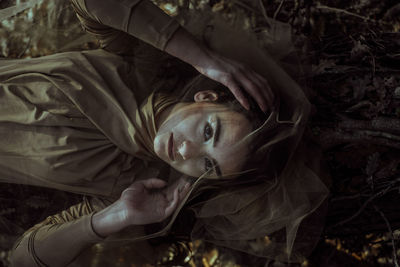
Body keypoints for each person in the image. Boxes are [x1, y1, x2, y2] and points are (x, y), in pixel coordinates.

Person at [2, 0, 329, 266]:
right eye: (208, 132)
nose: (187, 153)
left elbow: (21, 259)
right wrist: (205, 60)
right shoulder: (140, 64)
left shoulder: (124, 185)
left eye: (207, 166)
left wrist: (113, 217)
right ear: (206, 97)